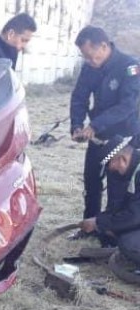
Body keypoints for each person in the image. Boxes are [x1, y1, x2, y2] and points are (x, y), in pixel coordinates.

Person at [70, 25, 140, 228]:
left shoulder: (129, 67)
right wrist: (77, 124)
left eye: (92, 57)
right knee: (91, 180)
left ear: (104, 46)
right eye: (85, 57)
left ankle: (110, 230)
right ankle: (89, 225)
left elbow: (127, 105)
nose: (90, 62)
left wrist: (95, 124)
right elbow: (79, 96)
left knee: (117, 184)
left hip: (125, 135)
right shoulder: (90, 67)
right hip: (98, 135)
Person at [80, 135, 140, 265]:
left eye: (111, 165)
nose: (112, 171)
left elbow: (135, 216)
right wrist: (105, 223)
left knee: (128, 243)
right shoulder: (133, 170)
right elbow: (122, 207)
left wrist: (98, 222)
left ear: (122, 159)